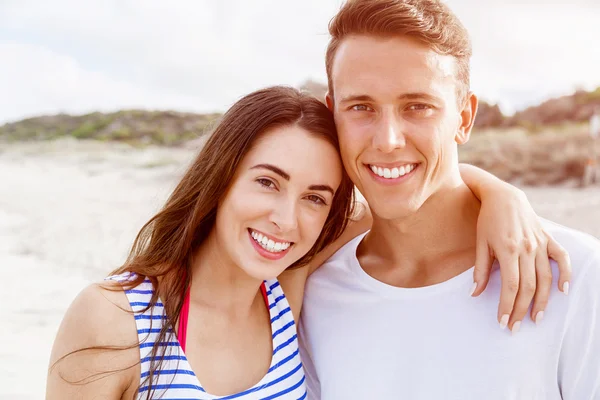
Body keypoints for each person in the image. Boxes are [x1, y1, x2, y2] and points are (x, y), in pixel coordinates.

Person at [47, 90, 566, 397]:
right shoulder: (114, 318)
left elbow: (406, 199)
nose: (285, 220)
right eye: (267, 182)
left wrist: (498, 193)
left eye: (316, 198)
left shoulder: (284, 297)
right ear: (221, 178)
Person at [299, 1, 600, 399]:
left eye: (417, 107)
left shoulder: (573, 275)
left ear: (463, 118)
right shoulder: (316, 294)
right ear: (333, 115)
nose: (388, 140)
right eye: (362, 107)